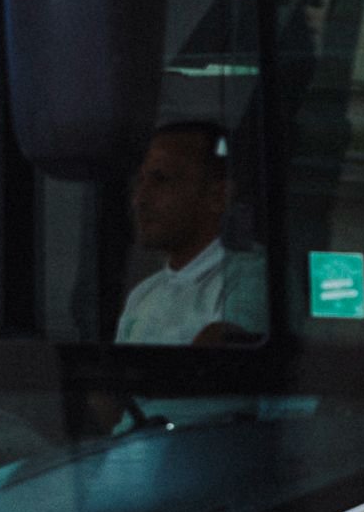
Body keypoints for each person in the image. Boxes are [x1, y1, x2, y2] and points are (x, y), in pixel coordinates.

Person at [112, 120, 267, 349]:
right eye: (141, 181)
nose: (139, 200)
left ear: (218, 196)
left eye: (161, 179)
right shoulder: (143, 295)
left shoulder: (252, 278)